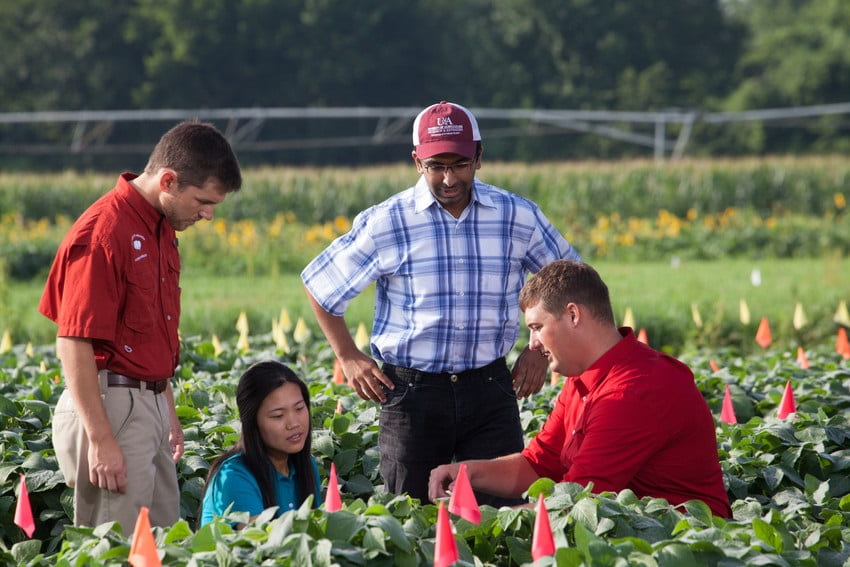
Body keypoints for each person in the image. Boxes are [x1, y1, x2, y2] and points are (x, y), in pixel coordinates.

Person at [301, 101, 582, 505]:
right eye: (436, 166)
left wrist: (539, 350)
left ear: (479, 157)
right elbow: (322, 284)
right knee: (410, 515)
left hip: (490, 388)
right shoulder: (389, 220)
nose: (449, 178)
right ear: (417, 161)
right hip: (412, 395)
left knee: (501, 516)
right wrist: (347, 355)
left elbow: (571, 281)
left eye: (460, 164)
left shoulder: (515, 216)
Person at [39, 120, 242, 534]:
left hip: (145, 402)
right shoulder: (104, 232)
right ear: (167, 180)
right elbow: (74, 341)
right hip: (109, 405)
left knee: (164, 541)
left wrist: (166, 410)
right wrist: (100, 439)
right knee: (116, 545)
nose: (207, 213)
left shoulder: (160, 229)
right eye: (203, 201)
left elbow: (150, 332)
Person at [428, 260, 732, 518]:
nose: (532, 344)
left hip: (686, 545)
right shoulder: (581, 378)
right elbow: (538, 466)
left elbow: (578, 502)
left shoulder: (631, 391)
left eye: (536, 327)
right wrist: (465, 473)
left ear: (573, 315)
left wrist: (478, 521)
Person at [200, 361, 322, 527]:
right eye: (278, 416)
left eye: (299, 408)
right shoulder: (233, 476)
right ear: (252, 422)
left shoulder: (307, 466)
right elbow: (261, 545)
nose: (294, 424)